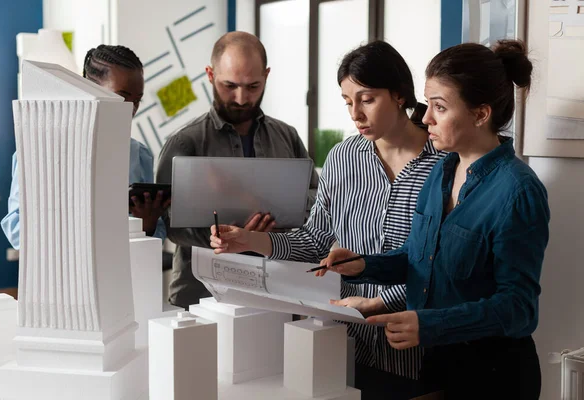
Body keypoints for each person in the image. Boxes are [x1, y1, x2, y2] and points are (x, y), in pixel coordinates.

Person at [209, 40, 446, 399]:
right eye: (348, 102)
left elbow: (444, 265)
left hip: (417, 348)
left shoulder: (445, 165)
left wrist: (383, 303)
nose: (356, 114)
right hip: (344, 343)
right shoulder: (342, 157)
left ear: (399, 94)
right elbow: (316, 240)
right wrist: (249, 240)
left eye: (367, 99)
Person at [318, 40, 549, 399]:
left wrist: (428, 324)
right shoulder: (441, 171)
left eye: (439, 108)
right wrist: (363, 265)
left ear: (480, 114)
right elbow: (420, 257)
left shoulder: (518, 190)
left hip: (495, 375)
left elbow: (519, 308)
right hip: (439, 363)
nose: (425, 118)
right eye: (428, 105)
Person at [155, 31, 319, 309]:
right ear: (210, 75)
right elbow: (168, 222)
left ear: (266, 76)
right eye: (229, 85)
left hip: (276, 289)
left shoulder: (287, 136)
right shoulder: (185, 141)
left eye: (253, 86)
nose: (242, 98)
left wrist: (271, 229)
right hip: (200, 294)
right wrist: (232, 235)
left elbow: (318, 200)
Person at [1, 44, 167, 248]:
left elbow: (156, 235)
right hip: (62, 272)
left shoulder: (138, 154)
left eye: (137, 100)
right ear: (89, 90)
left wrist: (147, 227)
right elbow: (16, 229)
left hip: (126, 273)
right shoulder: (40, 151)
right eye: (122, 97)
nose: (131, 109)